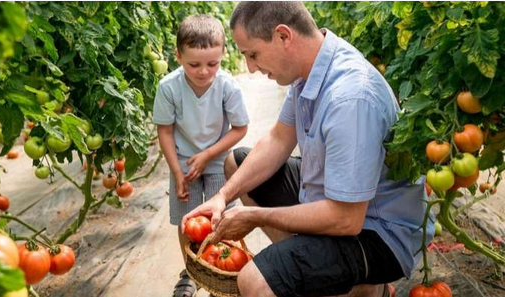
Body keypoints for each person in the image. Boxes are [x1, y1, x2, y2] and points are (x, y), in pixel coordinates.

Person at [181, 2, 433, 297]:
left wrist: (257, 218)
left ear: (284, 36)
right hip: (338, 199)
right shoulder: (310, 70)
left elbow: (346, 219)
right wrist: (222, 197)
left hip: (379, 233)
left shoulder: (350, 99)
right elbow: (277, 140)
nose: (250, 67)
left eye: (253, 54)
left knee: (255, 281)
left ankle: (364, 287)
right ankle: (326, 280)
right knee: (236, 165)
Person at [153, 14, 250, 297]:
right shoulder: (169, 87)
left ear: (223, 55)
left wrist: (208, 154)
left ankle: (225, 270)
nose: (204, 71)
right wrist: (177, 172)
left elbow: (240, 128)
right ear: (178, 56)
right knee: (188, 221)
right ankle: (192, 272)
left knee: (224, 218)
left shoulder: (227, 86)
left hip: (219, 160)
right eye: (193, 64)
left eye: (213, 64)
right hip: (184, 164)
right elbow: (166, 131)